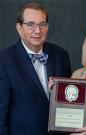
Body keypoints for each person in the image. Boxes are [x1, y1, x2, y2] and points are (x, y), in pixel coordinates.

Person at [0, 2, 71, 135]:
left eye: (42, 24)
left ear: (47, 26)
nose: (37, 31)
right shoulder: (4, 60)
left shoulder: (61, 55)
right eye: (30, 24)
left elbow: (68, 103)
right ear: (19, 28)